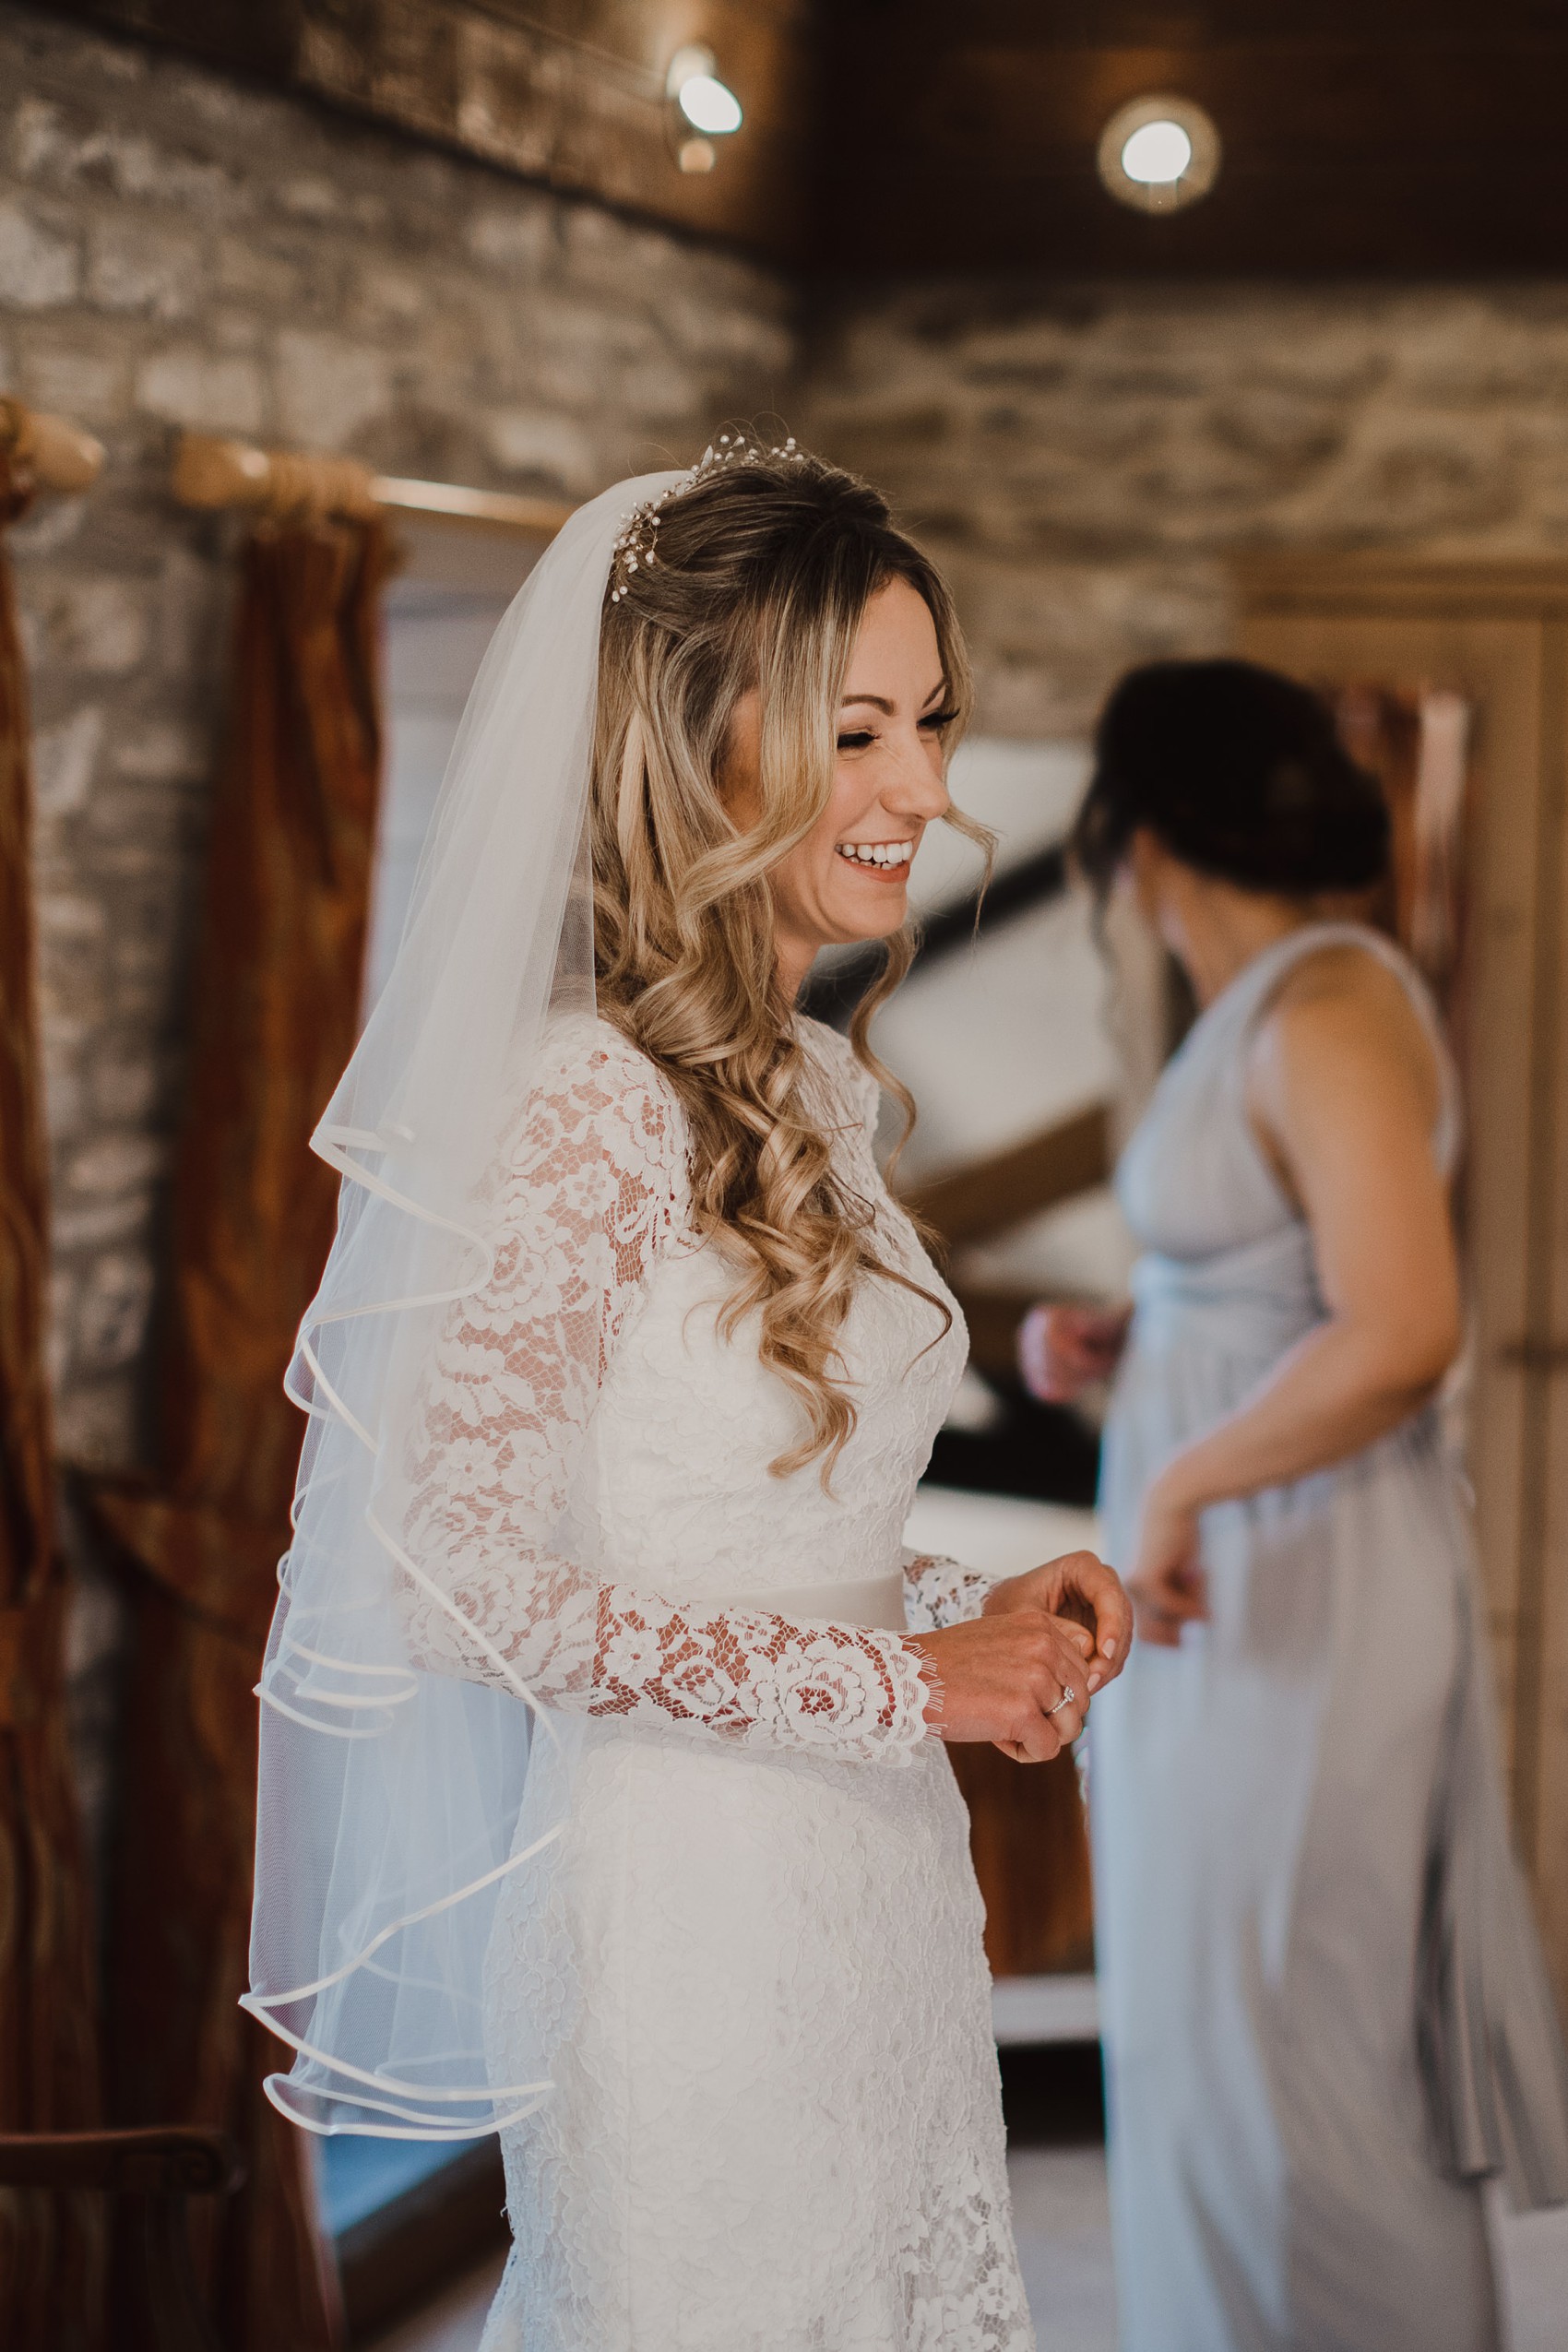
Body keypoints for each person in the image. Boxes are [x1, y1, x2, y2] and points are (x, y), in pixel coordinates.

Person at [244, 440, 1134, 2350]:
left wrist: (954, 1621)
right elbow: (453, 1580)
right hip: (687, 1914)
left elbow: (746, 1542)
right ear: (700, 744)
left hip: (877, 1881)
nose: (923, 788)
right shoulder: (584, 1099)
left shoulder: (804, 1085)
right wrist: (909, 1684)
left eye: (932, 726)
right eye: (863, 729)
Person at [1019, 657, 1568, 2352]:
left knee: (1298, 2035)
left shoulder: (1329, 1009)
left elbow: (1404, 1325)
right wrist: (1131, 1335)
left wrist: (1177, 1474)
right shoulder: (1262, 1011)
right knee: (1203, 2027)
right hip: (1226, 1590)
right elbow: (1281, 1273)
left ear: (1132, 833)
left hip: (1308, 1590)